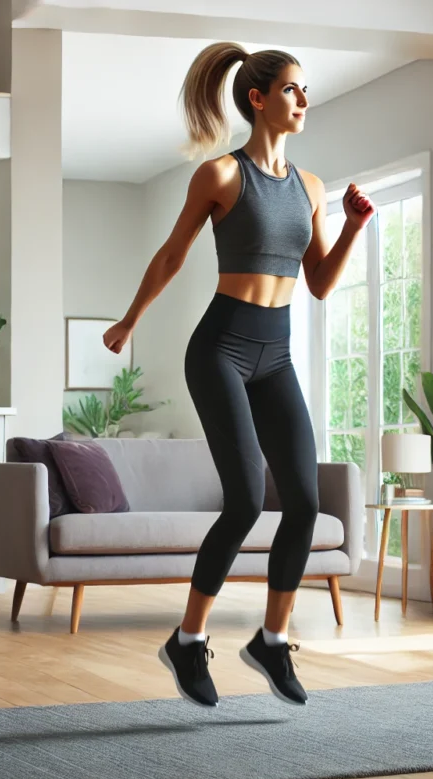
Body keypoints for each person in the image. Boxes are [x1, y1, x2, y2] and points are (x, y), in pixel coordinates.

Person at [102, 42, 374, 707]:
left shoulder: (310, 187)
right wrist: (129, 320)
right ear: (257, 98)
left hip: (275, 353)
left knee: (306, 504)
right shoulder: (221, 176)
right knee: (248, 500)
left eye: (305, 90)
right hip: (221, 348)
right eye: (291, 89)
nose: (303, 99)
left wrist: (354, 228)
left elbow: (316, 284)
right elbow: (171, 255)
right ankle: (188, 641)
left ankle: (272, 643)